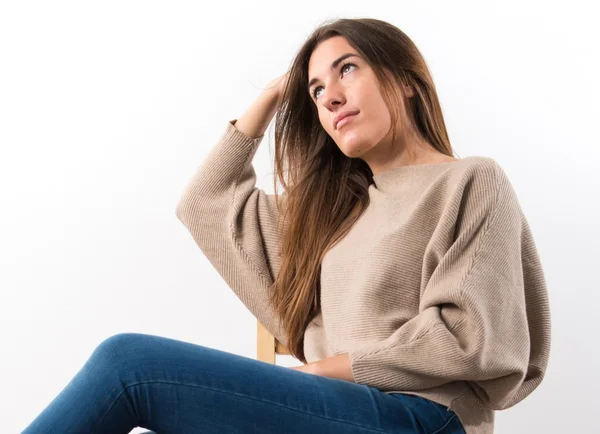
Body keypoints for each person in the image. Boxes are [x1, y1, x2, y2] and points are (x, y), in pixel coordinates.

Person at [22, 17, 551, 434]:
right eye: (316, 90)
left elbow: (468, 338)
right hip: (332, 413)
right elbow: (204, 202)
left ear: (406, 81)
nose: (331, 98)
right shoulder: (333, 211)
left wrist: (321, 371)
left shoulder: (470, 182)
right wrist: (273, 96)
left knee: (128, 364)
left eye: (347, 69)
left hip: (424, 419)